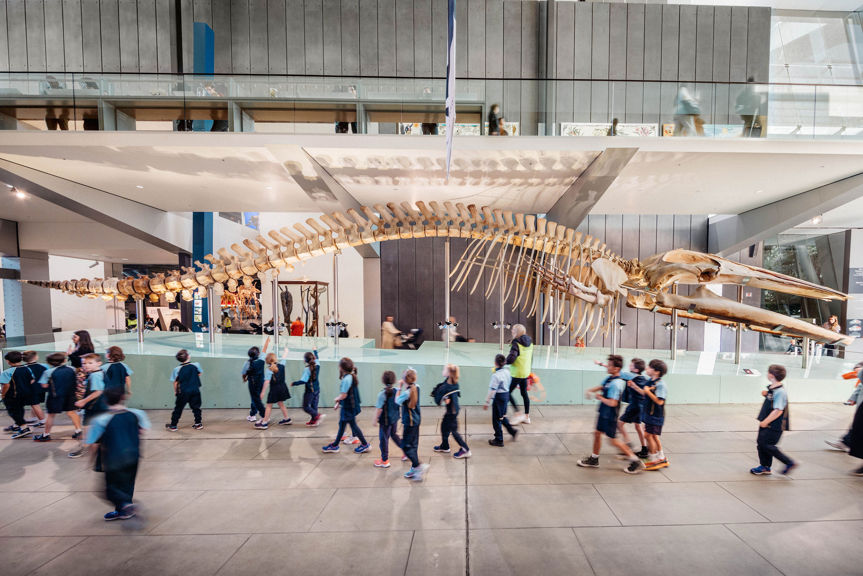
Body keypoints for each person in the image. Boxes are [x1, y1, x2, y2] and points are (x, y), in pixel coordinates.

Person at [84, 387, 151, 521]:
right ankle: (124, 511)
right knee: (127, 484)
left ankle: (126, 506)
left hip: (114, 457)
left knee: (110, 490)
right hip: (133, 455)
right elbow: (142, 430)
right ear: (123, 397)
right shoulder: (137, 413)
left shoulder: (101, 420)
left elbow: (93, 444)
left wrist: (91, 460)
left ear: (105, 400)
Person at [578, 355, 643, 474]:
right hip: (603, 413)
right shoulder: (609, 379)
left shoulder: (616, 384)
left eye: (610, 365)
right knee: (597, 433)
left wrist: (600, 397)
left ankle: (635, 461)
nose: (607, 367)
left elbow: (613, 403)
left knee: (613, 440)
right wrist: (590, 390)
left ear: (616, 368)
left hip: (610, 415)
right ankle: (594, 459)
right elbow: (601, 386)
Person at [750, 364, 796, 476]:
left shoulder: (780, 392)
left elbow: (778, 410)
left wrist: (766, 422)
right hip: (767, 423)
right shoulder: (774, 388)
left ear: (771, 375)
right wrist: (766, 394)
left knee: (767, 445)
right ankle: (765, 466)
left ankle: (788, 462)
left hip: (774, 425)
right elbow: (772, 399)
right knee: (761, 444)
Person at [322, 357, 370, 454]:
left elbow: (344, 395)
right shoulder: (351, 376)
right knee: (342, 425)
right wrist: (339, 403)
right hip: (349, 407)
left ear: (341, 368)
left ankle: (365, 444)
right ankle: (335, 445)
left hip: (349, 408)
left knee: (353, 426)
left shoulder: (346, 379)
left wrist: (337, 399)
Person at [628, 359, 669, 470]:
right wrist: (635, 387)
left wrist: (648, 391)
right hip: (649, 414)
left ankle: (654, 458)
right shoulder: (649, 381)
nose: (646, 368)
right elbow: (644, 392)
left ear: (656, 371)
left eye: (649, 367)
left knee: (648, 435)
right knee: (653, 435)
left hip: (655, 415)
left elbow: (660, 401)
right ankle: (661, 456)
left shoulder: (660, 385)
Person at [33, 352, 83, 442]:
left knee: (51, 415)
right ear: (64, 360)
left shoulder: (48, 372)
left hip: (55, 397)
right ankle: (78, 431)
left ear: (49, 363)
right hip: (70, 395)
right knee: (72, 413)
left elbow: (44, 385)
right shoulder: (72, 369)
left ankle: (46, 434)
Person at [68, 353, 108, 458]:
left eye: (90, 363)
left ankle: (85, 447)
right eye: (84, 363)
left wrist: (83, 401)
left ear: (99, 363)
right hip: (100, 406)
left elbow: (98, 391)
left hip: (94, 407)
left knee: (87, 427)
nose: (86, 365)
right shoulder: (99, 372)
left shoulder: (95, 376)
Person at [396, 368, 428, 480]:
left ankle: (418, 465)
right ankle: (415, 469)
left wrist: (399, 387)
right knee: (413, 445)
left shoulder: (406, 393)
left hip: (409, 423)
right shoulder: (417, 387)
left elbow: (397, 401)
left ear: (404, 380)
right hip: (416, 420)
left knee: (406, 446)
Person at [433, 364, 471, 459]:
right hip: (453, 410)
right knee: (443, 427)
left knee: (454, 432)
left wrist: (444, 398)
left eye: (444, 369)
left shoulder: (446, 386)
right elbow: (450, 393)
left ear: (449, 373)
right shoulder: (453, 382)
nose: (443, 370)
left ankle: (466, 449)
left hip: (452, 412)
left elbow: (439, 398)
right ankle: (445, 446)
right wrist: (446, 397)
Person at [484, 354, 519, 447]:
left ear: (495, 363)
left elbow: (492, 390)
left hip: (499, 398)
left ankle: (499, 439)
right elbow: (510, 381)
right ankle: (512, 431)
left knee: (496, 419)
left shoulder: (496, 376)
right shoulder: (507, 371)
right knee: (502, 416)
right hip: (506, 395)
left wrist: (487, 402)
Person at [617, 358, 649, 459]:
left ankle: (628, 446)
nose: (629, 366)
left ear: (636, 369)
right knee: (638, 426)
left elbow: (618, 372)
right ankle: (644, 449)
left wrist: (602, 364)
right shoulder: (643, 378)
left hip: (634, 406)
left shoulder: (632, 376)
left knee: (619, 424)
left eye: (631, 365)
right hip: (640, 406)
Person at [166, 349, 203, 431]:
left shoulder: (177, 369)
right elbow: (199, 373)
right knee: (196, 408)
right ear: (189, 357)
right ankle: (198, 424)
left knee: (178, 408)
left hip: (183, 392)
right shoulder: (196, 365)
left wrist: (176, 391)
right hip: (195, 390)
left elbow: (175, 382)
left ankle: (173, 426)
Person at [255, 350, 293, 430]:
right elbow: (284, 357)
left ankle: (264, 423)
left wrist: (263, 392)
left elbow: (267, 382)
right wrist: (286, 351)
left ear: (267, 361)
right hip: (283, 388)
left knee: (269, 406)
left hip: (274, 389)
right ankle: (287, 419)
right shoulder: (282, 365)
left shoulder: (268, 370)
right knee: (281, 404)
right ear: (275, 359)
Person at [2, 351, 34, 438]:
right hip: (25, 394)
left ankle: (24, 427)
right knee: (19, 409)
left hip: (12, 396)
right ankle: (17, 424)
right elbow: (32, 380)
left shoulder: (7, 372)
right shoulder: (27, 368)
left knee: (13, 411)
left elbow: (6, 385)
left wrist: (3, 394)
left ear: (8, 361)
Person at [374, 370, 402, 468]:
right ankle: (407, 451)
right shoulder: (396, 391)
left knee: (383, 439)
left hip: (385, 421)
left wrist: (375, 420)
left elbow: (379, 409)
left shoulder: (382, 394)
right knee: (394, 435)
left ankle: (384, 460)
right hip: (394, 419)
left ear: (383, 380)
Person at [506, 324, 534, 423]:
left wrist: (504, 361)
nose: (511, 331)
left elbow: (511, 358)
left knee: (507, 393)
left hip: (517, 373)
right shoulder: (530, 342)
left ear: (517, 332)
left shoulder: (516, 343)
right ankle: (527, 417)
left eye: (513, 330)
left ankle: (518, 414)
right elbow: (531, 358)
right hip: (525, 372)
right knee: (524, 393)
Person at [292, 348, 323, 426]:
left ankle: (317, 415)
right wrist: (315, 351)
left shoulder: (307, 369)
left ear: (305, 360)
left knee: (306, 407)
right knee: (314, 405)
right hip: (317, 389)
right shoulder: (317, 365)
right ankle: (314, 421)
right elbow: (317, 358)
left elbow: (303, 381)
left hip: (310, 391)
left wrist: (294, 383)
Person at [242, 345, 268, 423]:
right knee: (257, 399)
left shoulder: (247, 363)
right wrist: (267, 341)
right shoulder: (262, 360)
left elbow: (244, 373)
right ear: (258, 354)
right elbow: (265, 349)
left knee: (255, 399)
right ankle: (254, 414)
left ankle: (253, 415)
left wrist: (245, 379)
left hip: (252, 383)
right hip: (261, 382)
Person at [22, 350, 47, 426]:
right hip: (41, 388)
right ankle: (33, 417)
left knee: (34, 404)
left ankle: (42, 420)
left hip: (31, 389)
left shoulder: (25, 369)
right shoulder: (42, 367)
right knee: (36, 404)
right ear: (36, 357)